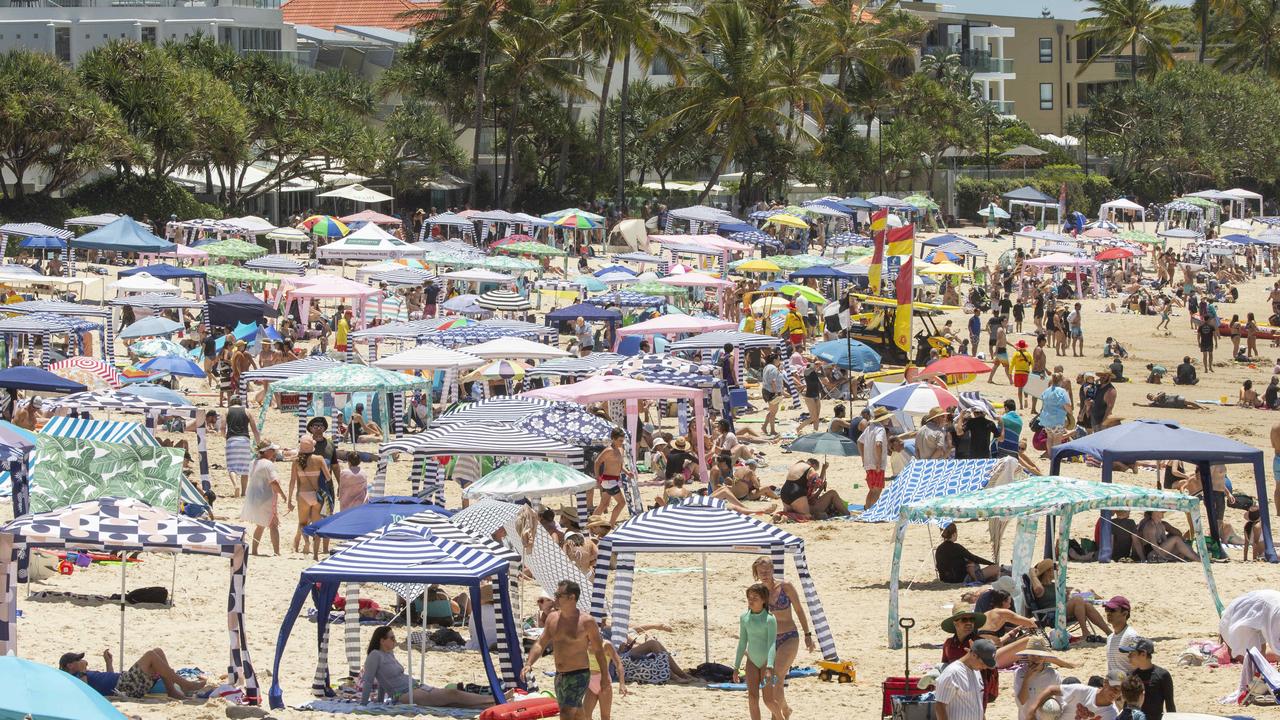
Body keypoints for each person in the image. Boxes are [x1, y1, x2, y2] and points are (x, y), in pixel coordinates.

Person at [522, 581, 609, 720]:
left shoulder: (587, 622)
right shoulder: (552, 618)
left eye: (559, 595)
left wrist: (605, 677)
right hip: (560, 675)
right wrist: (529, 663)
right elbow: (540, 643)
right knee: (578, 713)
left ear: (572, 597)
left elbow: (599, 650)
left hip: (579, 675)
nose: (555, 599)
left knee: (566, 713)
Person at [359, 626, 493, 707]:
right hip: (404, 694)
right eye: (392, 638)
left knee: (451, 702)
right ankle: (496, 699)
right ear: (382, 641)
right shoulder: (375, 655)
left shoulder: (389, 653)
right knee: (452, 693)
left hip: (415, 688)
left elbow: (383, 679)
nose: (395, 640)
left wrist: (380, 700)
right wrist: (363, 704)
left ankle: (492, 705)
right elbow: (369, 680)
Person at [752, 556, 814, 720]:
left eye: (767, 571)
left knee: (776, 678)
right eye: (761, 572)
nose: (764, 574)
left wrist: (808, 635)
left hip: (789, 637)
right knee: (771, 681)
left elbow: (800, 610)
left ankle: (776, 717)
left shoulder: (786, 587)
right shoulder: (756, 592)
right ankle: (785, 710)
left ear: (773, 570)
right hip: (768, 640)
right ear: (757, 573)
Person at [61, 648, 207, 700]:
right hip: (125, 686)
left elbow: (108, 679)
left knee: (158, 651)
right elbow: (86, 693)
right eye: (78, 659)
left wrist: (108, 663)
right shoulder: (75, 678)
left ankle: (172, 691)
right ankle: (185, 684)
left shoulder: (82, 673)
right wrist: (81, 673)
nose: (83, 660)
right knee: (150, 655)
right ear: (70, 665)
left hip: (123, 682)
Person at [732, 583, 783, 720]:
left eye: (755, 597)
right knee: (752, 698)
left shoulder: (770, 619)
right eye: (749, 597)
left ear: (764, 600)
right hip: (752, 662)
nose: (751, 600)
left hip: (767, 662)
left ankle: (780, 717)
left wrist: (770, 666)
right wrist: (736, 667)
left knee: (768, 700)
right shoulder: (744, 618)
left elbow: (772, 643)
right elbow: (742, 643)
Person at [1026, 559, 1109, 641]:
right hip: (1051, 616)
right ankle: (1085, 632)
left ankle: (1109, 633)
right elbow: (1038, 588)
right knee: (1078, 599)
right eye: (1055, 569)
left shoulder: (1054, 585)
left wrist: (1067, 595)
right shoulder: (1041, 588)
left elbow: (1065, 599)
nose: (1058, 570)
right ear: (1048, 571)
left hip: (1061, 610)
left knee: (1087, 605)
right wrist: (1032, 574)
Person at [289, 435, 333, 559]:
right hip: (316, 494)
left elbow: (292, 482)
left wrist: (289, 500)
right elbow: (328, 478)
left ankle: (306, 542)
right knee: (317, 525)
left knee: (302, 523)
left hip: (303, 494)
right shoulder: (319, 459)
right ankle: (314, 555)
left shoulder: (296, 461)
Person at [241, 440, 286, 556]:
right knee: (274, 525)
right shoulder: (268, 464)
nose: (274, 452)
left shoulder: (253, 462)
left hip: (254, 498)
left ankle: (254, 551)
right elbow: (274, 483)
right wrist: (283, 494)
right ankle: (277, 552)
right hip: (266, 498)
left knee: (260, 525)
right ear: (266, 451)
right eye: (272, 450)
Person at [934, 638, 997, 720]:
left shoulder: (976, 671)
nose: (985, 667)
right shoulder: (953, 673)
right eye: (983, 663)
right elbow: (940, 705)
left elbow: (977, 706)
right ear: (974, 655)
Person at [1013, 639, 1075, 720]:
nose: (1036, 659)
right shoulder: (1019, 673)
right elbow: (1021, 702)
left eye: (1040, 656)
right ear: (1027, 656)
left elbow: (1061, 701)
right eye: (1032, 655)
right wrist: (1027, 678)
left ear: (1045, 657)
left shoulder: (1053, 674)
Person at [1027, 672, 1126, 720]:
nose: (1116, 693)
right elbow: (1051, 689)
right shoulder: (1082, 691)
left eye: (1120, 690)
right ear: (1105, 683)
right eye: (1114, 688)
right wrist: (1032, 709)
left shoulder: (1112, 714)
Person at [1121, 637, 1174, 720]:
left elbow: (1170, 705)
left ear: (1143, 654)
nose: (1128, 657)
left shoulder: (1162, 675)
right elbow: (1126, 704)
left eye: (1132, 654)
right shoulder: (1130, 676)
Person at [220, 399, 260, 498]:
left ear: (231, 402)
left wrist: (225, 436)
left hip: (232, 441)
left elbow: (222, 427)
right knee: (245, 468)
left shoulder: (227, 411)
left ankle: (235, 485)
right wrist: (258, 444)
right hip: (244, 440)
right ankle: (243, 493)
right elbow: (255, 430)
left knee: (232, 467)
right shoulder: (247, 411)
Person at [935, 523, 999, 583]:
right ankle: (977, 579)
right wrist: (991, 563)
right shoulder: (956, 547)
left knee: (968, 562)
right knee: (996, 569)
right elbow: (974, 558)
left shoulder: (939, 549)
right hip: (961, 579)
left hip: (945, 579)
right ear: (954, 534)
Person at [858, 407, 893, 510]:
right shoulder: (880, 429)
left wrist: (863, 458)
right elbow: (878, 444)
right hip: (877, 464)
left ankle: (867, 510)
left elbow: (859, 442)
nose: (888, 419)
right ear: (883, 419)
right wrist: (878, 462)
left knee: (872, 490)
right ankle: (873, 512)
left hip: (869, 463)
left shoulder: (870, 427)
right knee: (877, 490)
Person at [592, 428, 627, 525]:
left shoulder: (620, 449)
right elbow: (597, 462)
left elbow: (620, 465)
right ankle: (611, 524)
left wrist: (627, 472)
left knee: (604, 504)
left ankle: (590, 524)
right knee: (621, 503)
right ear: (613, 439)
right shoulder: (609, 450)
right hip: (608, 480)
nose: (622, 442)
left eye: (622, 440)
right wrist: (597, 477)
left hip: (613, 480)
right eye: (620, 440)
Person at [1038, 374, 1073, 457]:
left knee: (1050, 438)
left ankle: (1050, 456)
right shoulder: (1062, 391)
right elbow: (1067, 405)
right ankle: (1055, 457)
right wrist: (1070, 412)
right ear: (1060, 381)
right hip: (1057, 419)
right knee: (1057, 438)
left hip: (1046, 419)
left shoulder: (1046, 391)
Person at [1104, 596, 1139, 675]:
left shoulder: (1131, 636)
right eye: (1107, 610)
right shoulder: (1110, 637)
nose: (1108, 613)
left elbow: (1139, 665)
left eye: (1112, 610)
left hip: (1126, 684)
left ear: (1125, 613)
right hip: (1113, 682)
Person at [760, 354, 786, 437]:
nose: (780, 361)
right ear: (775, 360)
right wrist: (776, 393)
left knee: (772, 411)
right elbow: (773, 381)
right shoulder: (773, 368)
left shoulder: (767, 366)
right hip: (771, 392)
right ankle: (772, 431)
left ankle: (764, 427)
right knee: (773, 412)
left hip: (767, 390)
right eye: (779, 359)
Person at [800, 360, 822, 434]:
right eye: (814, 364)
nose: (816, 366)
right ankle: (798, 428)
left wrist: (821, 366)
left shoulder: (815, 373)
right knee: (813, 417)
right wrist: (815, 364)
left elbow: (824, 377)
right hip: (809, 396)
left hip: (816, 395)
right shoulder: (806, 371)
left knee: (817, 416)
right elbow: (811, 367)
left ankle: (815, 431)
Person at [1011, 340, 1034, 409]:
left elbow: (1012, 363)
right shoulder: (1028, 354)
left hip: (1018, 373)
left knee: (1019, 389)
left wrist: (1010, 372)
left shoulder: (1016, 354)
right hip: (1026, 373)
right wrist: (1032, 372)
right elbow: (1032, 363)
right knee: (1025, 388)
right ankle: (1026, 399)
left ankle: (1021, 405)